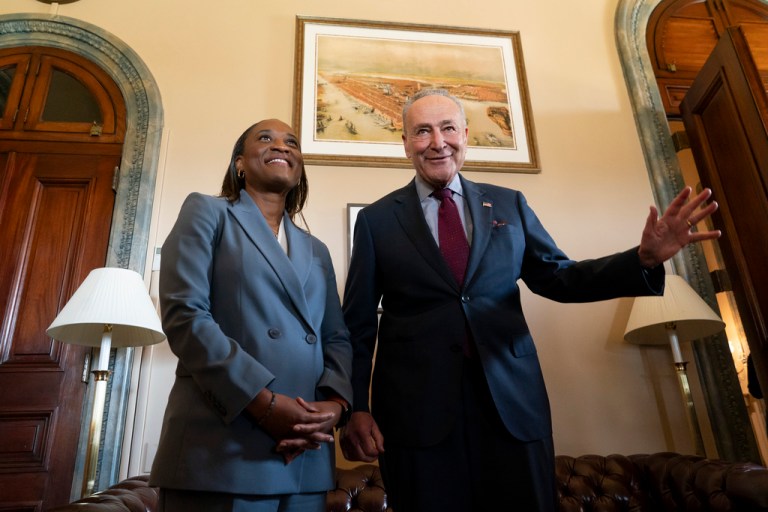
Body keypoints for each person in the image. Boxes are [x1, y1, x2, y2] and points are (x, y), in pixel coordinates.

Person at [340, 89, 721, 512]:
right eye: (423, 131)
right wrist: (357, 407)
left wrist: (642, 259)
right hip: (416, 415)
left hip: (512, 406)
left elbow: (560, 278)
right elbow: (357, 325)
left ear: (466, 134)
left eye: (448, 128)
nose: (437, 141)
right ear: (406, 142)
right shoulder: (376, 221)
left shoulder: (509, 204)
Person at [150, 119, 353, 512]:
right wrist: (264, 405)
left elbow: (337, 337)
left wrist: (335, 405)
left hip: (304, 454)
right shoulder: (207, 212)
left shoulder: (317, 250)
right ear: (240, 164)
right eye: (266, 138)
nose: (282, 146)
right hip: (222, 447)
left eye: (291, 142)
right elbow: (185, 315)